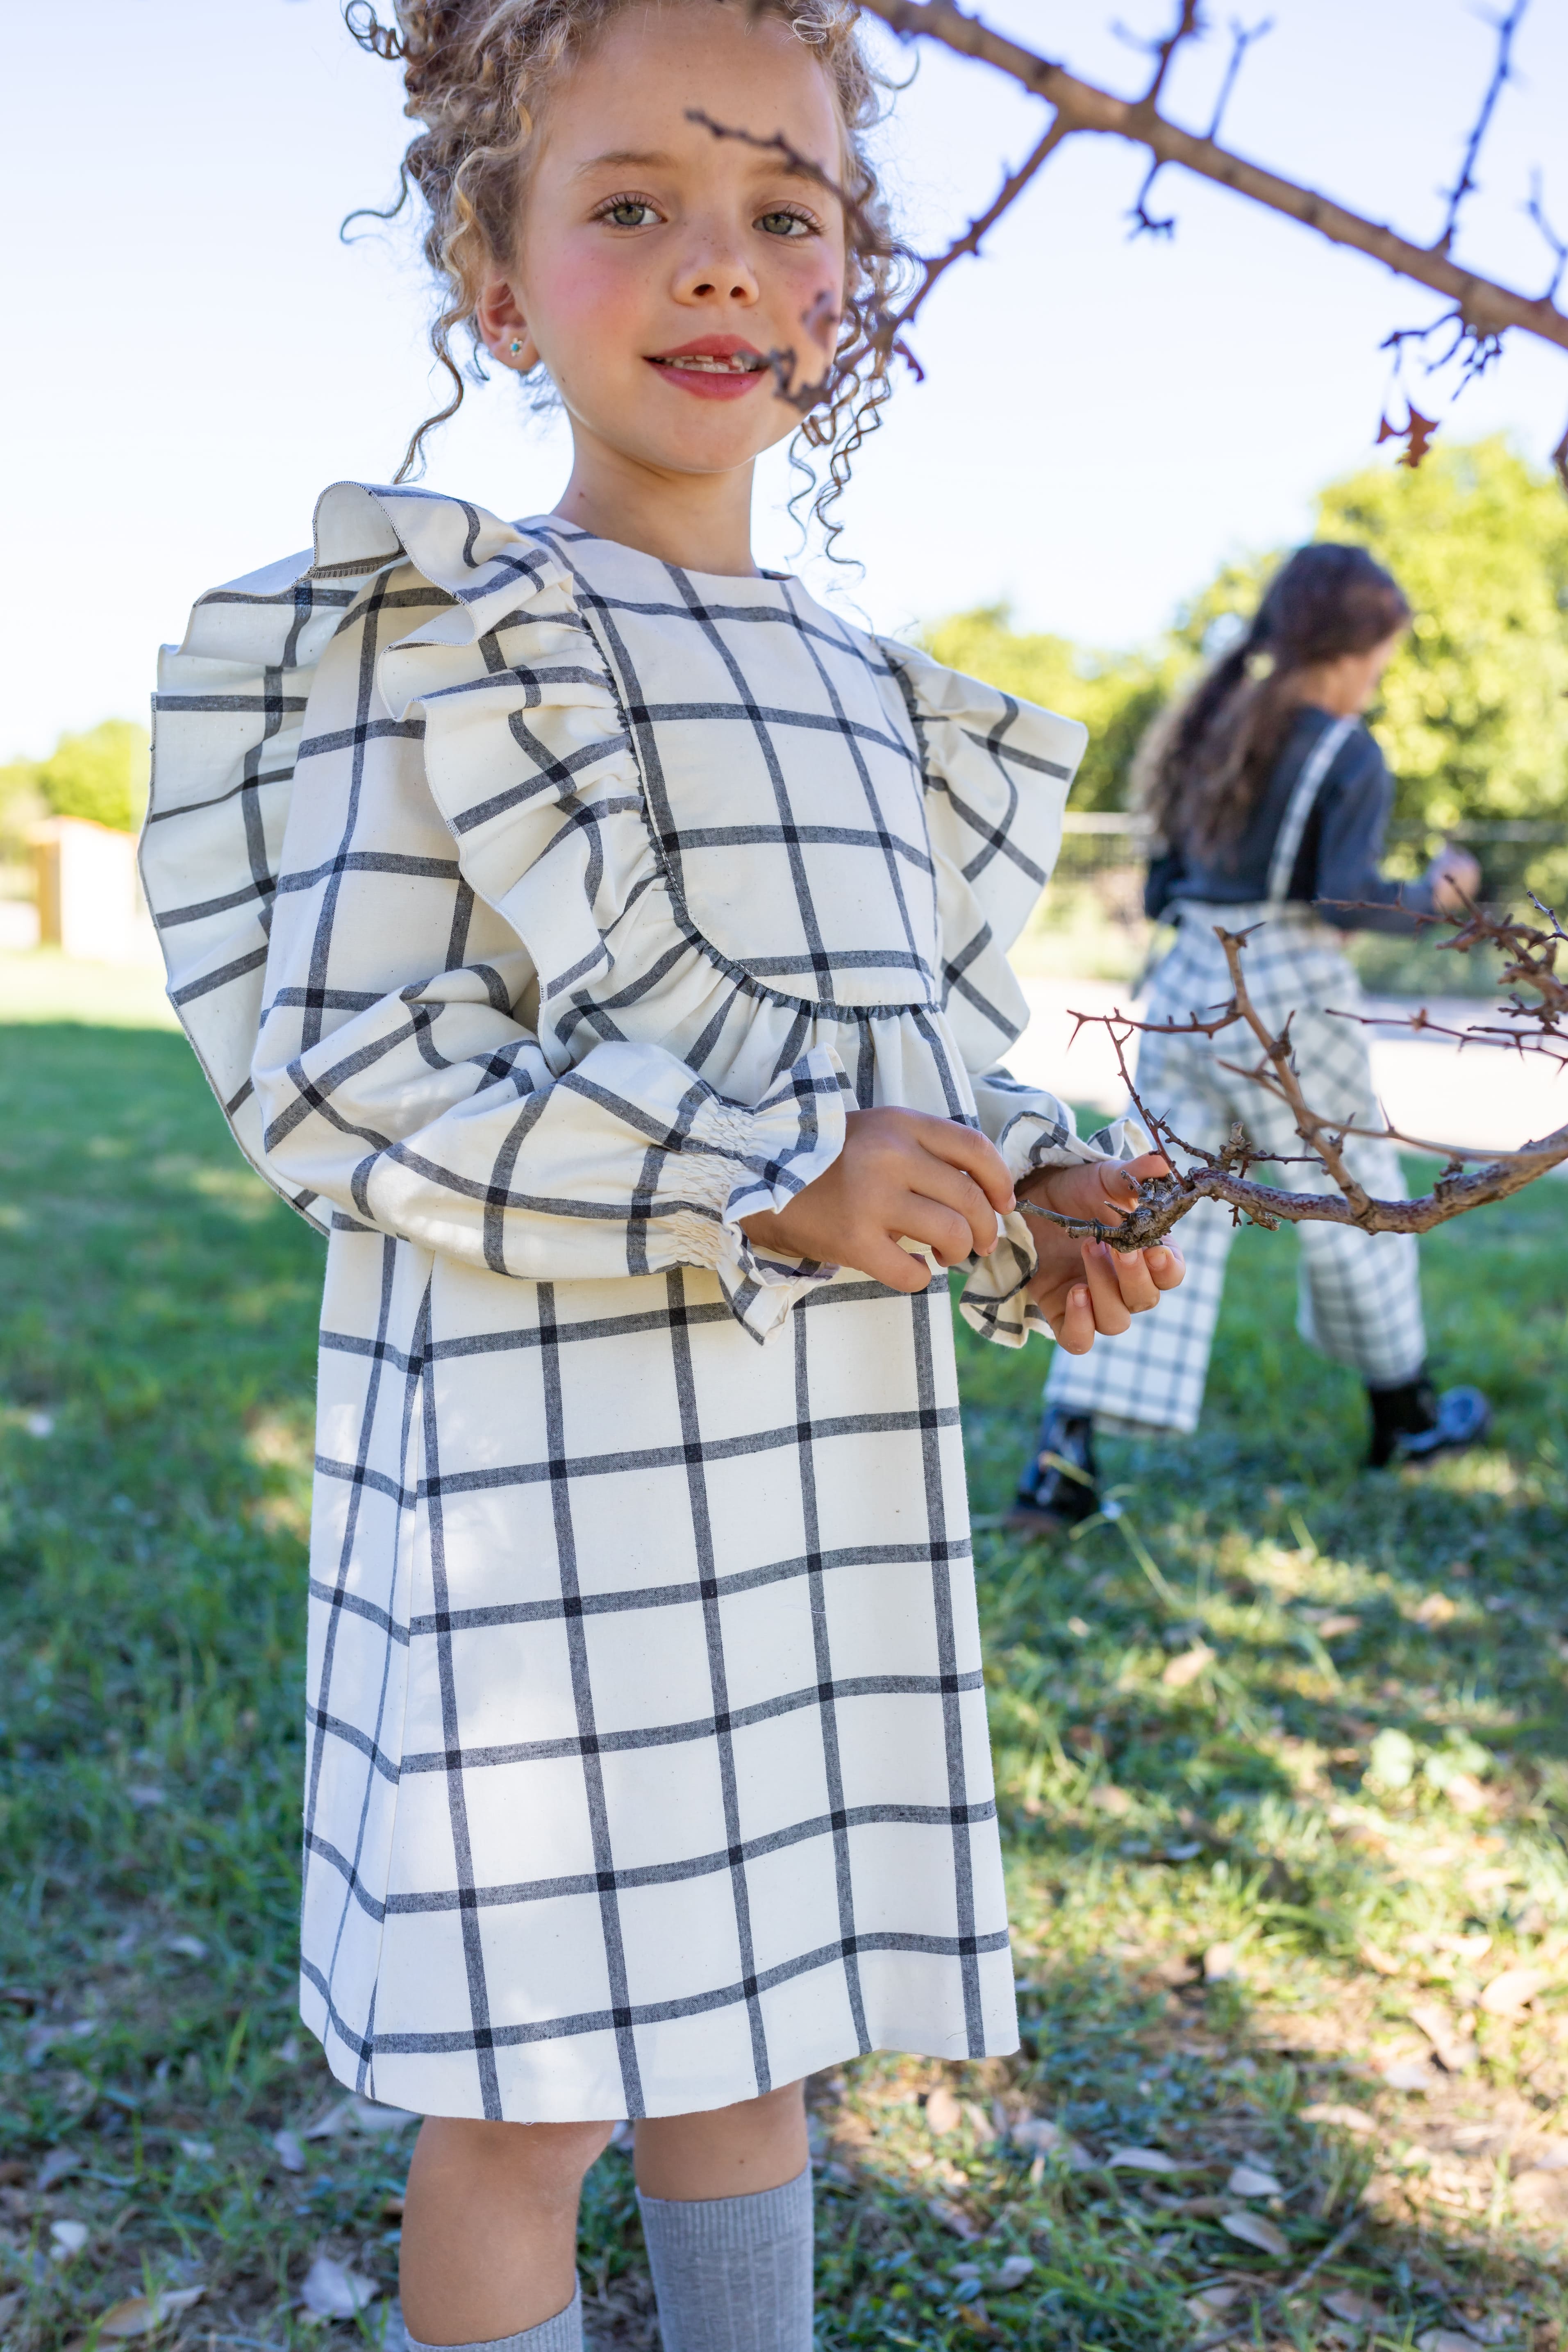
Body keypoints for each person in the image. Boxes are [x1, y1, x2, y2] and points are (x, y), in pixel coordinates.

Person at [140, 6, 1186, 2348]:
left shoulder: (876, 698)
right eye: (633, 207)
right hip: (547, 1512)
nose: (720, 264)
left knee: (752, 2031)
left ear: (856, 294)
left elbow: (892, 1063)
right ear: (498, 289)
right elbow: (357, 1071)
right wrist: (761, 1184)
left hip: (797, 1496)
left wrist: (1021, 1200)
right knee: (528, 2093)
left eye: (785, 214)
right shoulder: (451, 638)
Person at [1012, 541, 1491, 1533]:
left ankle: (1063, 1458)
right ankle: (1401, 1414)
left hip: (1188, 973)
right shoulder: (1342, 750)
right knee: (1353, 1184)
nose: (1375, 683)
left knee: (1151, 1188)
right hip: (1284, 988)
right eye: (1379, 662)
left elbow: (1157, 886)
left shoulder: (1210, 730)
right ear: (1351, 649)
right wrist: (1440, 893)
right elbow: (1346, 897)